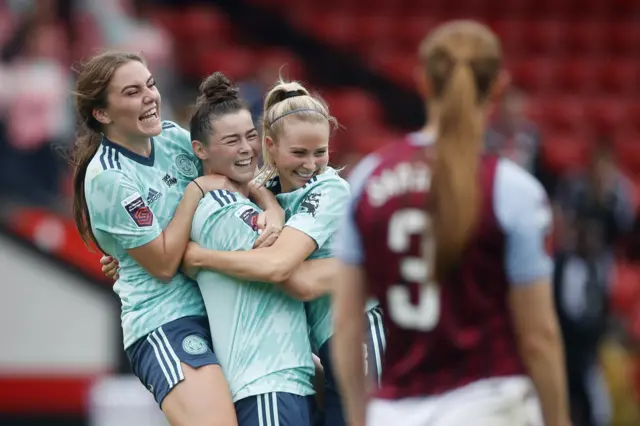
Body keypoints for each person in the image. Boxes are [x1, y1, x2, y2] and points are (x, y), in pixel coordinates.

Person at [330, 20, 571, 426]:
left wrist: (361, 415)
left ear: (423, 82)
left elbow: (347, 323)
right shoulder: (512, 190)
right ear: (498, 87)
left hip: (395, 412)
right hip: (490, 402)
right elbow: (538, 336)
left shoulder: (368, 179)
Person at [71, 51, 278, 426]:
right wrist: (196, 191)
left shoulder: (170, 136)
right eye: (132, 92)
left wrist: (273, 211)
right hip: (166, 321)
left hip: (222, 305)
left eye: (150, 84)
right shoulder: (108, 176)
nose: (150, 96)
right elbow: (164, 265)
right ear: (102, 113)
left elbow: (237, 173)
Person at [182, 79, 386, 426]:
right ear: (271, 147)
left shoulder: (329, 189)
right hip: (328, 345)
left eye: (320, 151)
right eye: (299, 153)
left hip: (361, 333)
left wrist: (199, 257)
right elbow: (259, 191)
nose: (311, 164)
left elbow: (288, 274)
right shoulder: (268, 190)